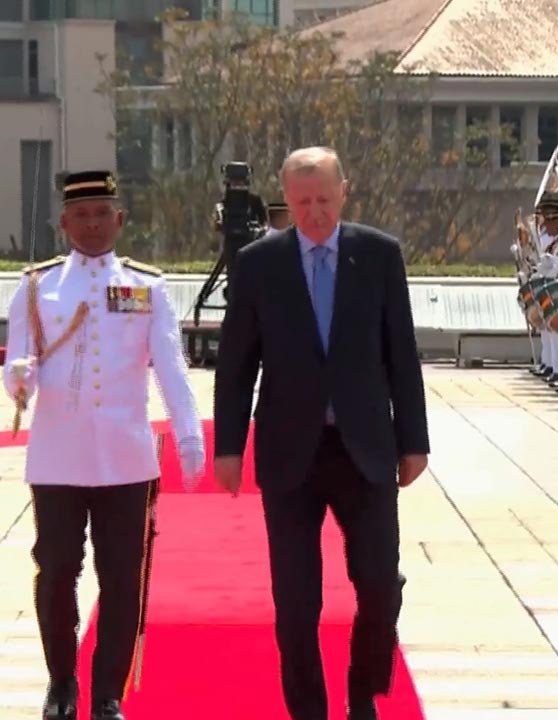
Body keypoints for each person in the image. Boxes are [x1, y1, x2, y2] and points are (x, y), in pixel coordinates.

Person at [212, 146, 430, 720]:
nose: (314, 212)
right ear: (286, 198)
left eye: (325, 200)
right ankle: (308, 709)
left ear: (344, 193)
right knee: (296, 600)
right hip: (291, 452)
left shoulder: (379, 257)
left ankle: (364, 691)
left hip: (364, 446)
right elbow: (237, 362)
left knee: (380, 584)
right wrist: (229, 447)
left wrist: (415, 440)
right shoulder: (259, 264)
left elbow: (401, 354)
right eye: (303, 201)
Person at [2, 170, 205, 720]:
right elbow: (17, 368)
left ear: (119, 220)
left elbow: (169, 363)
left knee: (121, 575)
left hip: (124, 454)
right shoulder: (37, 285)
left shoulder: (146, 286)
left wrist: (188, 433)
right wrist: (18, 377)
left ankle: (108, 692)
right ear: (64, 223)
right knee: (56, 566)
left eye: (102, 215)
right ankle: (61, 683)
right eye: (81, 216)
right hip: (58, 454)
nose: (92, 225)